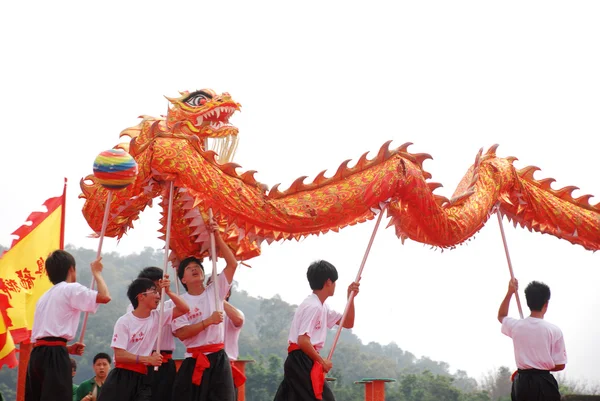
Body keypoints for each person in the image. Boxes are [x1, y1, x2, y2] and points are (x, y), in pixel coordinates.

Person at [26, 250, 111, 401]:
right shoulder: (71, 288)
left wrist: (67, 348)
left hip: (37, 356)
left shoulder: (43, 297)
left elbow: (41, 340)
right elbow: (104, 297)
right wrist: (97, 273)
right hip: (55, 356)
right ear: (71, 269)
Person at [171, 221, 239, 401]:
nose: (194, 269)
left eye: (197, 267)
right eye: (188, 268)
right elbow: (182, 333)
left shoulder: (215, 291)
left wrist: (217, 236)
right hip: (193, 360)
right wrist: (208, 321)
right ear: (183, 279)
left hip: (218, 359)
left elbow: (232, 264)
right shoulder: (179, 302)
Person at [273, 260, 359, 401]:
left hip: (304, 359)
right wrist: (322, 361)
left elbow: (348, 323)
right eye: (335, 282)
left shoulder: (322, 307)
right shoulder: (313, 306)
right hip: (301, 359)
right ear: (328, 282)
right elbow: (303, 340)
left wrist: (350, 298)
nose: (335, 286)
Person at [97, 275, 189, 401]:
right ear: (141, 296)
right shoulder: (125, 321)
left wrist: (169, 291)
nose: (158, 296)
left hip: (143, 378)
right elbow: (119, 355)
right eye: (154, 291)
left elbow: (184, 309)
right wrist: (147, 359)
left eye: (158, 292)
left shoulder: (157, 317)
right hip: (122, 377)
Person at [497, 279, 567, 401]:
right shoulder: (554, 330)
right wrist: (538, 366)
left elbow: (501, 316)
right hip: (544, 383)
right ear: (546, 304)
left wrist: (510, 292)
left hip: (522, 383)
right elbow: (560, 365)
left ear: (528, 302)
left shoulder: (516, 326)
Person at [126, 266, 177, 401]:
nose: (155, 291)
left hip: (164, 363)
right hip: (144, 362)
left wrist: (170, 291)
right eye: (151, 287)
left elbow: (184, 310)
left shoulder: (170, 305)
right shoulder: (133, 308)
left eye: (157, 285)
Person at [223, 288, 245, 398]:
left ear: (227, 293)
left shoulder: (234, 313)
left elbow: (238, 320)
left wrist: (218, 299)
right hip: (202, 366)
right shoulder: (202, 313)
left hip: (225, 368)